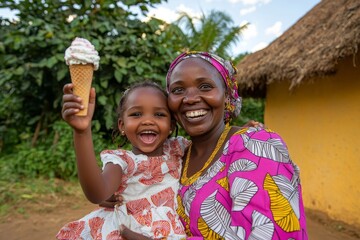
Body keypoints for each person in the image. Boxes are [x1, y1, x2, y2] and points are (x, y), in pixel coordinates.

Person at [120, 51, 308, 240]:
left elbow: (275, 233)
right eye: (178, 90)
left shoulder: (256, 147)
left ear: (226, 95)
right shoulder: (177, 156)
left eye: (205, 86)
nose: (191, 98)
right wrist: (116, 194)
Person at [56, 81, 188, 239]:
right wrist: (82, 132)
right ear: (122, 125)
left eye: (159, 114)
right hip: (125, 231)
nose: (147, 121)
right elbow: (97, 194)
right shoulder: (122, 161)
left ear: (171, 125)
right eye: (136, 114)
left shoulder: (178, 149)